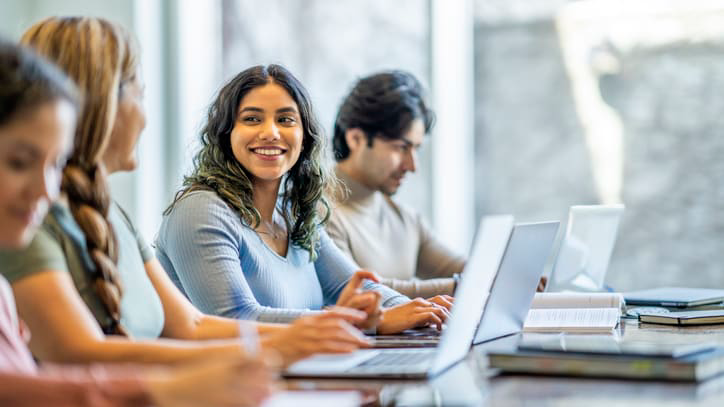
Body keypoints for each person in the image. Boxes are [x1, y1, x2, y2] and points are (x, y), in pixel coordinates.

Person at [0, 16, 372, 368]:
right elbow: (84, 356)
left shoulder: (108, 212)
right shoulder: (27, 215)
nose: (145, 117)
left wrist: (309, 333)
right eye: (140, 96)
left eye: (285, 119)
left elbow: (191, 326)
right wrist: (276, 347)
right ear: (100, 105)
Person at [0, 39, 270, 407]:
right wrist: (166, 388)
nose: (45, 192)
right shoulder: (199, 210)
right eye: (18, 163)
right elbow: (63, 363)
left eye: (55, 165)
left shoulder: (6, 289)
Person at [156, 64, 452, 334]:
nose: (270, 132)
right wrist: (356, 321)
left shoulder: (294, 213)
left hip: (295, 380)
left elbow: (354, 285)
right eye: (252, 119)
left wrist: (421, 311)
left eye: (285, 119)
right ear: (226, 133)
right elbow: (236, 317)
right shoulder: (200, 210)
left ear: (304, 136)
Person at [328, 71, 548, 298]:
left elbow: (461, 268)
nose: (413, 165)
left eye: (416, 149)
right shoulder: (320, 214)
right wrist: (473, 285)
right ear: (355, 139)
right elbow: (357, 291)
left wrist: (510, 276)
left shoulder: (404, 219)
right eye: (401, 147)